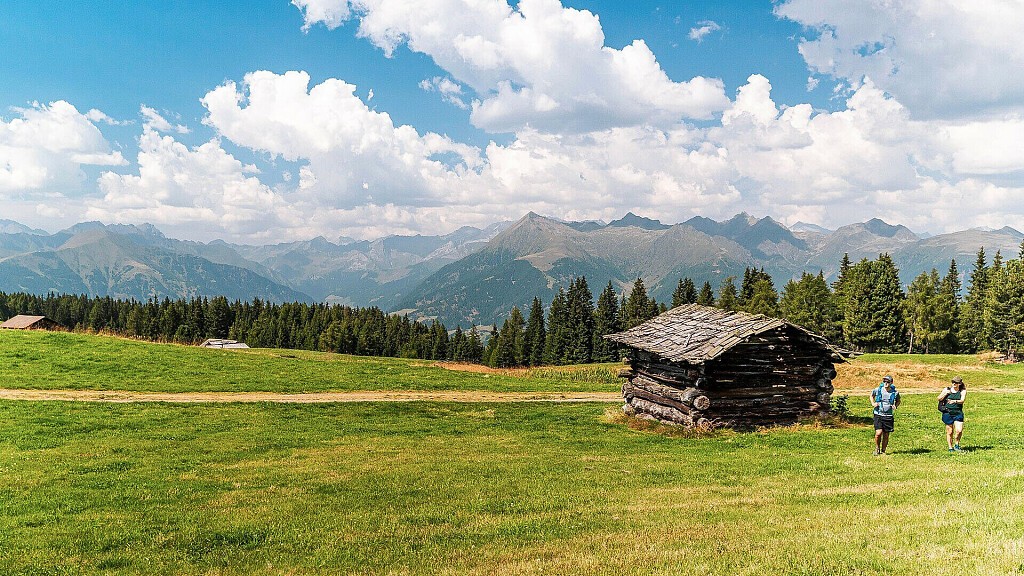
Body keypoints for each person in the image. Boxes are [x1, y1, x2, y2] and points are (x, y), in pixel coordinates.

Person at [870, 375, 901, 455]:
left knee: (886, 434)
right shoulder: (878, 390)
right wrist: (873, 403)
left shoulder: (895, 392)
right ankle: (877, 448)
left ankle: (883, 451)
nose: (886, 383)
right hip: (878, 414)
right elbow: (871, 396)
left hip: (888, 416)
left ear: (891, 383)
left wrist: (895, 406)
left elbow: (898, 400)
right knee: (878, 433)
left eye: (888, 382)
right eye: (884, 381)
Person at [939, 376, 967, 452]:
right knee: (950, 431)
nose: (954, 384)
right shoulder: (947, 389)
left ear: (959, 383)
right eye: (953, 382)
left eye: (956, 382)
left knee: (959, 430)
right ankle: (950, 447)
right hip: (947, 413)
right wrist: (945, 394)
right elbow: (939, 398)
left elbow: (962, 400)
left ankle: (957, 444)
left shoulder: (962, 391)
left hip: (958, 412)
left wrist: (954, 401)